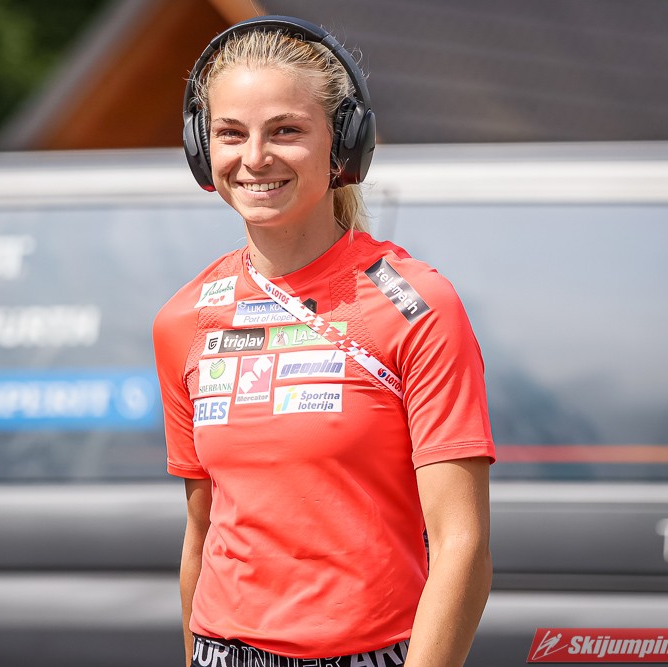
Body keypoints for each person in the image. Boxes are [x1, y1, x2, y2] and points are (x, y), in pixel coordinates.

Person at [152, 15, 495, 667]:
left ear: (344, 145)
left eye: (286, 130)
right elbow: (201, 534)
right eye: (231, 133)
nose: (255, 157)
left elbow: (463, 546)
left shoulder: (417, 306)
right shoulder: (183, 319)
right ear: (201, 148)